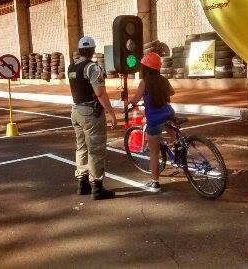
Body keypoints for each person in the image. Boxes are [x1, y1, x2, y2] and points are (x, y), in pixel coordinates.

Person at [68, 36, 117, 200]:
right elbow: (100, 93)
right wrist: (111, 113)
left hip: (75, 110)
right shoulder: (92, 68)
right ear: (93, 50)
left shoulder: (72, 67)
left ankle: (83, 183)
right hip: (90, 112)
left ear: (80, 50)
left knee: (81, 147)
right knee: (96, 149)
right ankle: (97, 187)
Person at [126, 52, 175, 193]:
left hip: (155, 119)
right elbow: (172, 92)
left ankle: (155, 182)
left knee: (154, 152)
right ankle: (181, 155)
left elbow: (135, 100)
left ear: (145, 68)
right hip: (169, 113)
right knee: (176, 139)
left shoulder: (145, 83)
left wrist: (128, 105)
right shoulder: (163, 80)